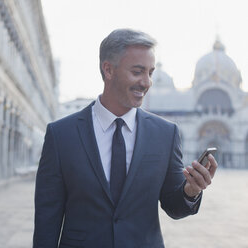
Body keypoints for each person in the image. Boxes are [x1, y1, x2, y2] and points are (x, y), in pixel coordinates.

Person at [33, 28, 218, 248]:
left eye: (150, 73)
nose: (147, 82)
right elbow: (47, 219)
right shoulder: (61, 135)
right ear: (108, 70)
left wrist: (191, 190)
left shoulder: (165, 134)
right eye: (138, 71)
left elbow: (174, 205)